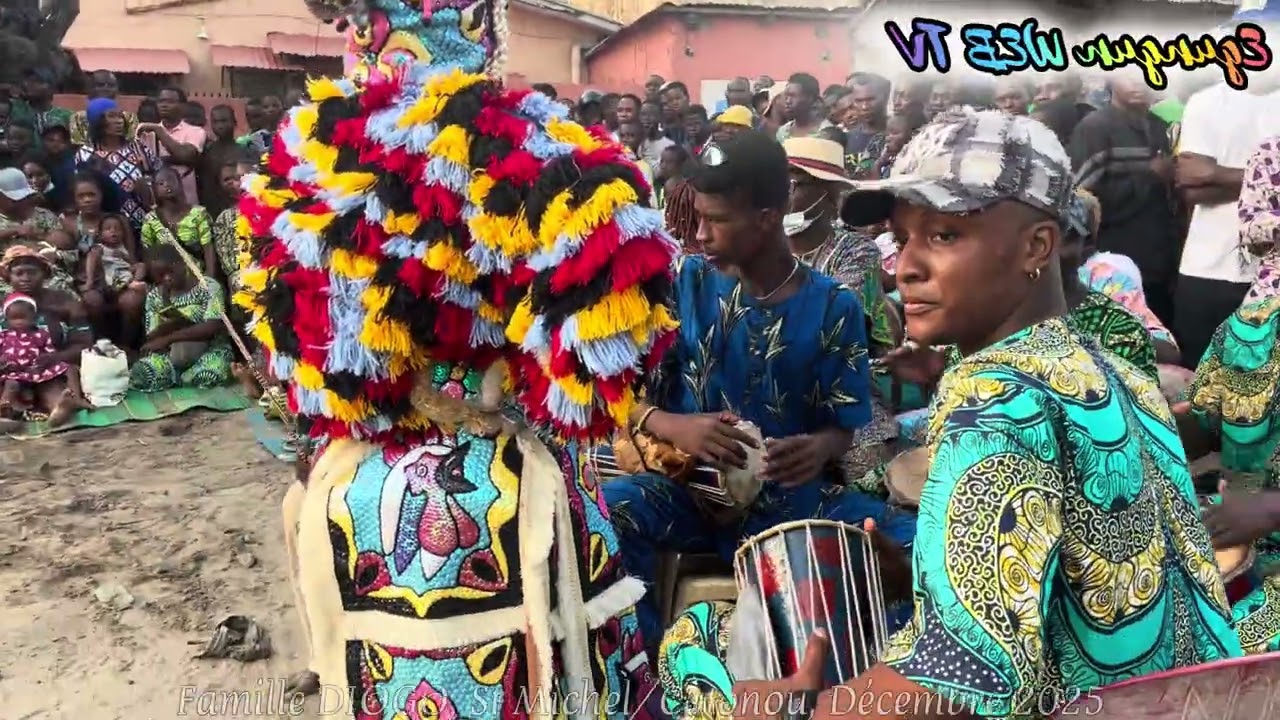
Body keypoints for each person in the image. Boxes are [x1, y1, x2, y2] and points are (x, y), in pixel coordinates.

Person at [684, 108, 1241, 720]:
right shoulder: (1118, 374)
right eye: (903, 239)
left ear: (1036, 246)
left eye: (944, 236)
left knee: (694, 650)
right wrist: (923, 574)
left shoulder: (996, 400)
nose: (906, 267)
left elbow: (965, 679)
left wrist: (799, 710)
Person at [234, 1, 676, 716]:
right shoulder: (530, 142)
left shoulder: (311, 153)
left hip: (367, 481)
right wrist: (544, 386)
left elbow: (295, 336)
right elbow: (609, 324)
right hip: (506, 471)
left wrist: (360, 409)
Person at [603, 129, 917, 662]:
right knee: (610, 510)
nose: (700, 233)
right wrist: (673, 425)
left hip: (790, 503)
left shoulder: (832, 306)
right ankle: (648, 667)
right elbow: (619, 392)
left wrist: (819, 448)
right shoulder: (686, 282)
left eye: (717, 220)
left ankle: (859, 682)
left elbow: (843, 425)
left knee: (917, 546)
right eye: (698, 217)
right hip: (687, 492)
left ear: (769, 217)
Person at [782, 136, 899, 480]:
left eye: (794, 184)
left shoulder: (857, 251)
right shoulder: (764, 249)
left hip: (846, 388)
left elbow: (837, 322)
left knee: (869, 478)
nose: (782, 196)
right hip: (780, 387)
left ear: (829, 196)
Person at [1174, 9, 1280, 365]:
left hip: (1271, 277)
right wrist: (1269, 179)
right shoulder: (1206, 102)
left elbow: (1203, 178)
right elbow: (1191, 186)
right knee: (1200, 378)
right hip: (1208, 269)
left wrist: (1216, 174)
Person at [1069, 73, 1181, 328]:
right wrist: (1150, 176)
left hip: (1159, 261)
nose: (1139, 81)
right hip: (1115, 269)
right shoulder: (1095, 128)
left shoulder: (1159, 127)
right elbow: (1081, 203)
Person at [1072, 189, 1180, 364]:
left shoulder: (1104, 278)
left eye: (1067, 235)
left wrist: (1107, 332)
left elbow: (1167, 350)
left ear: (1087, 243)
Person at [0, 246, 92, 418]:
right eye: (19, 273)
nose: (26, 278)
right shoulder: (1, 304)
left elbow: (84, 343)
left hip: (49, 372)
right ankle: (7, 414)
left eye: (32, 273)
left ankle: (60, 408)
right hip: (9, 375)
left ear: (44, 274)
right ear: (9, 277)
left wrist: (55, 357)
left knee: (56, 395)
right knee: (8, 393)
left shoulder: (66, 302)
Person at [130, 244, 232, 392]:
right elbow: (152, 337)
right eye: (160, 275)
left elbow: (212, 326)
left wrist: (169, 337)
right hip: (171, 353)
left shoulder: (209, 287)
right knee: (144, 373)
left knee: (209, 375)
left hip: (210, 349)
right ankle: (176, 374)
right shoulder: (155, 296)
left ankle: (182, 377)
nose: (167, 278)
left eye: (171, 271)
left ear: (183, 264)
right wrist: (169, 321)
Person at [0, 292, 88, 426]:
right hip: (13, 373)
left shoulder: (40, 334)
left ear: (33, 317)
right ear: (7, 319)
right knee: (11, 387)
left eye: (23, 318)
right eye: (14, 318)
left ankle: (60, 409)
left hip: (38, 371)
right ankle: (5, 413)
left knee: (51, 387)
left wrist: (43, 362)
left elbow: (49, 352)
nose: (19, 322)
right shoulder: (4, 336)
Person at [73, 98, 158, 232]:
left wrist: (146, 189)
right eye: (111, 116)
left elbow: (158, 175)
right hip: (109, 228)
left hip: (145, 223)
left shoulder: (137, 148)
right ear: (97, 121)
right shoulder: (86, 154)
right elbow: (83, 189)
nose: (119, 121)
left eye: (120, 116)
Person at [0, 166, 68, 294]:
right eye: (14, 199)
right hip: (6, 282)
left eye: (23, 197)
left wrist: (42, 238)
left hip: (48, 278)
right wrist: (14, 231)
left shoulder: (44, 216)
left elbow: (67, 245)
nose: (20, 201)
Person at [139, 166, 217, 278]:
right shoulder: (150, 220)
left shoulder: (199, 213)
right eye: (161, 183)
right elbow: (148, 252)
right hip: (167, 278)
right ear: (154, 190)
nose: (167, 185)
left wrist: (210, 278)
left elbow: (208, 248)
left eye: (171, 180)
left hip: (197, 276)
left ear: (180, 183)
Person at [147, 86, 205, 205]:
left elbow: (184, 155)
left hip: (188, 203)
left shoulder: (196, 132)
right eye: (161, 101)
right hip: (157, 205)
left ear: (183, 106)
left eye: (170, 102)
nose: (164, 105)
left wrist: (159, 131)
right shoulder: (147, 133)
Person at [69, 71, 138, 145]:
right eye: (100, 85)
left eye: (111, 85)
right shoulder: (78, 118)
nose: (106, 88)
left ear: (117, 89)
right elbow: (78, 147)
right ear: (89, 89)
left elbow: (132, 146)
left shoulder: (129, 118)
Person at [776, 73, 831, 141]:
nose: (788, 101)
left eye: (793, 96)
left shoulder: (827, 133)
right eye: (786, 96)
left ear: (811, 99)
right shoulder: (783, 132)